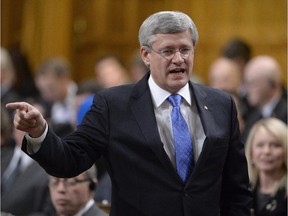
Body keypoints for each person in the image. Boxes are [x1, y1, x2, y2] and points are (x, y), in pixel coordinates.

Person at [6, 11, 252, 216]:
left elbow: (237, 189)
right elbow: (70, 160)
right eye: (167, 51)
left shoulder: (221, 104)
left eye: (185, 50)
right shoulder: (113, 105)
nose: (179, 59)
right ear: (146, 55)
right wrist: (39, 132)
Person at [1, 99, 54, 215]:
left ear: (46, 126)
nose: (24, 126)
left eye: (31, 121)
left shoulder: (51, 168)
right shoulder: (2, 156)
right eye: (20, 120)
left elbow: (48, 212)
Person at [245, 118, 287, 216]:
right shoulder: (243, 192)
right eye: (260, 145)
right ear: (251, 152)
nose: (266, 151)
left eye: (275, 145)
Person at [241, 55, 287, 143]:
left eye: (252, 82)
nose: (247, 90)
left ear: (272, 84)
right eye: (246, 84)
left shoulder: (285, 113)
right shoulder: (252, 117)